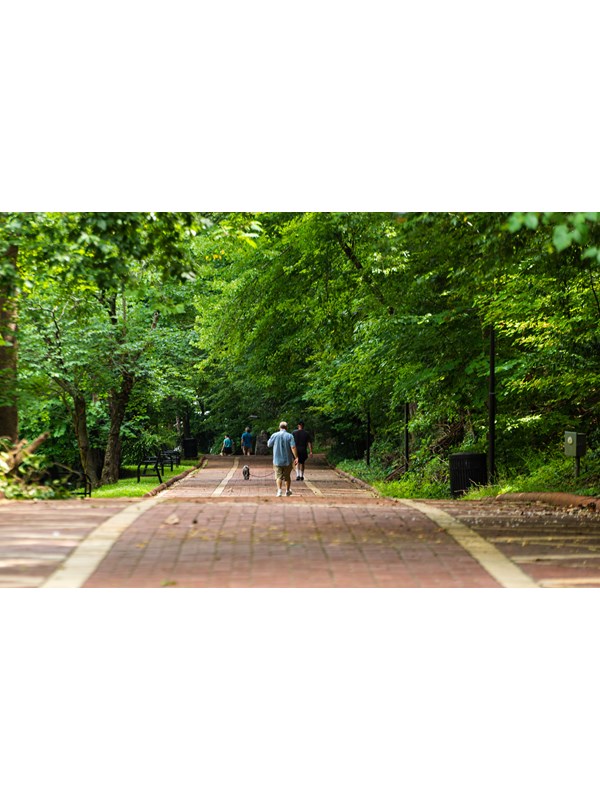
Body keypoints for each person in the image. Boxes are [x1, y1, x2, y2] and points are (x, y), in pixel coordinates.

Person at [267, 421, 298, 497]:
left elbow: (269, 445)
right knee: (287, 476)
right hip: (287, 460)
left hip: (277, 460)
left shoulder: (274, 435)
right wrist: (296, 457)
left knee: (278, 476)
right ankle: (287, 491)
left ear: (279, 427)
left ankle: (279, 491)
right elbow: (293, 447)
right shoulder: (290, 436)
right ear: (286, 428)